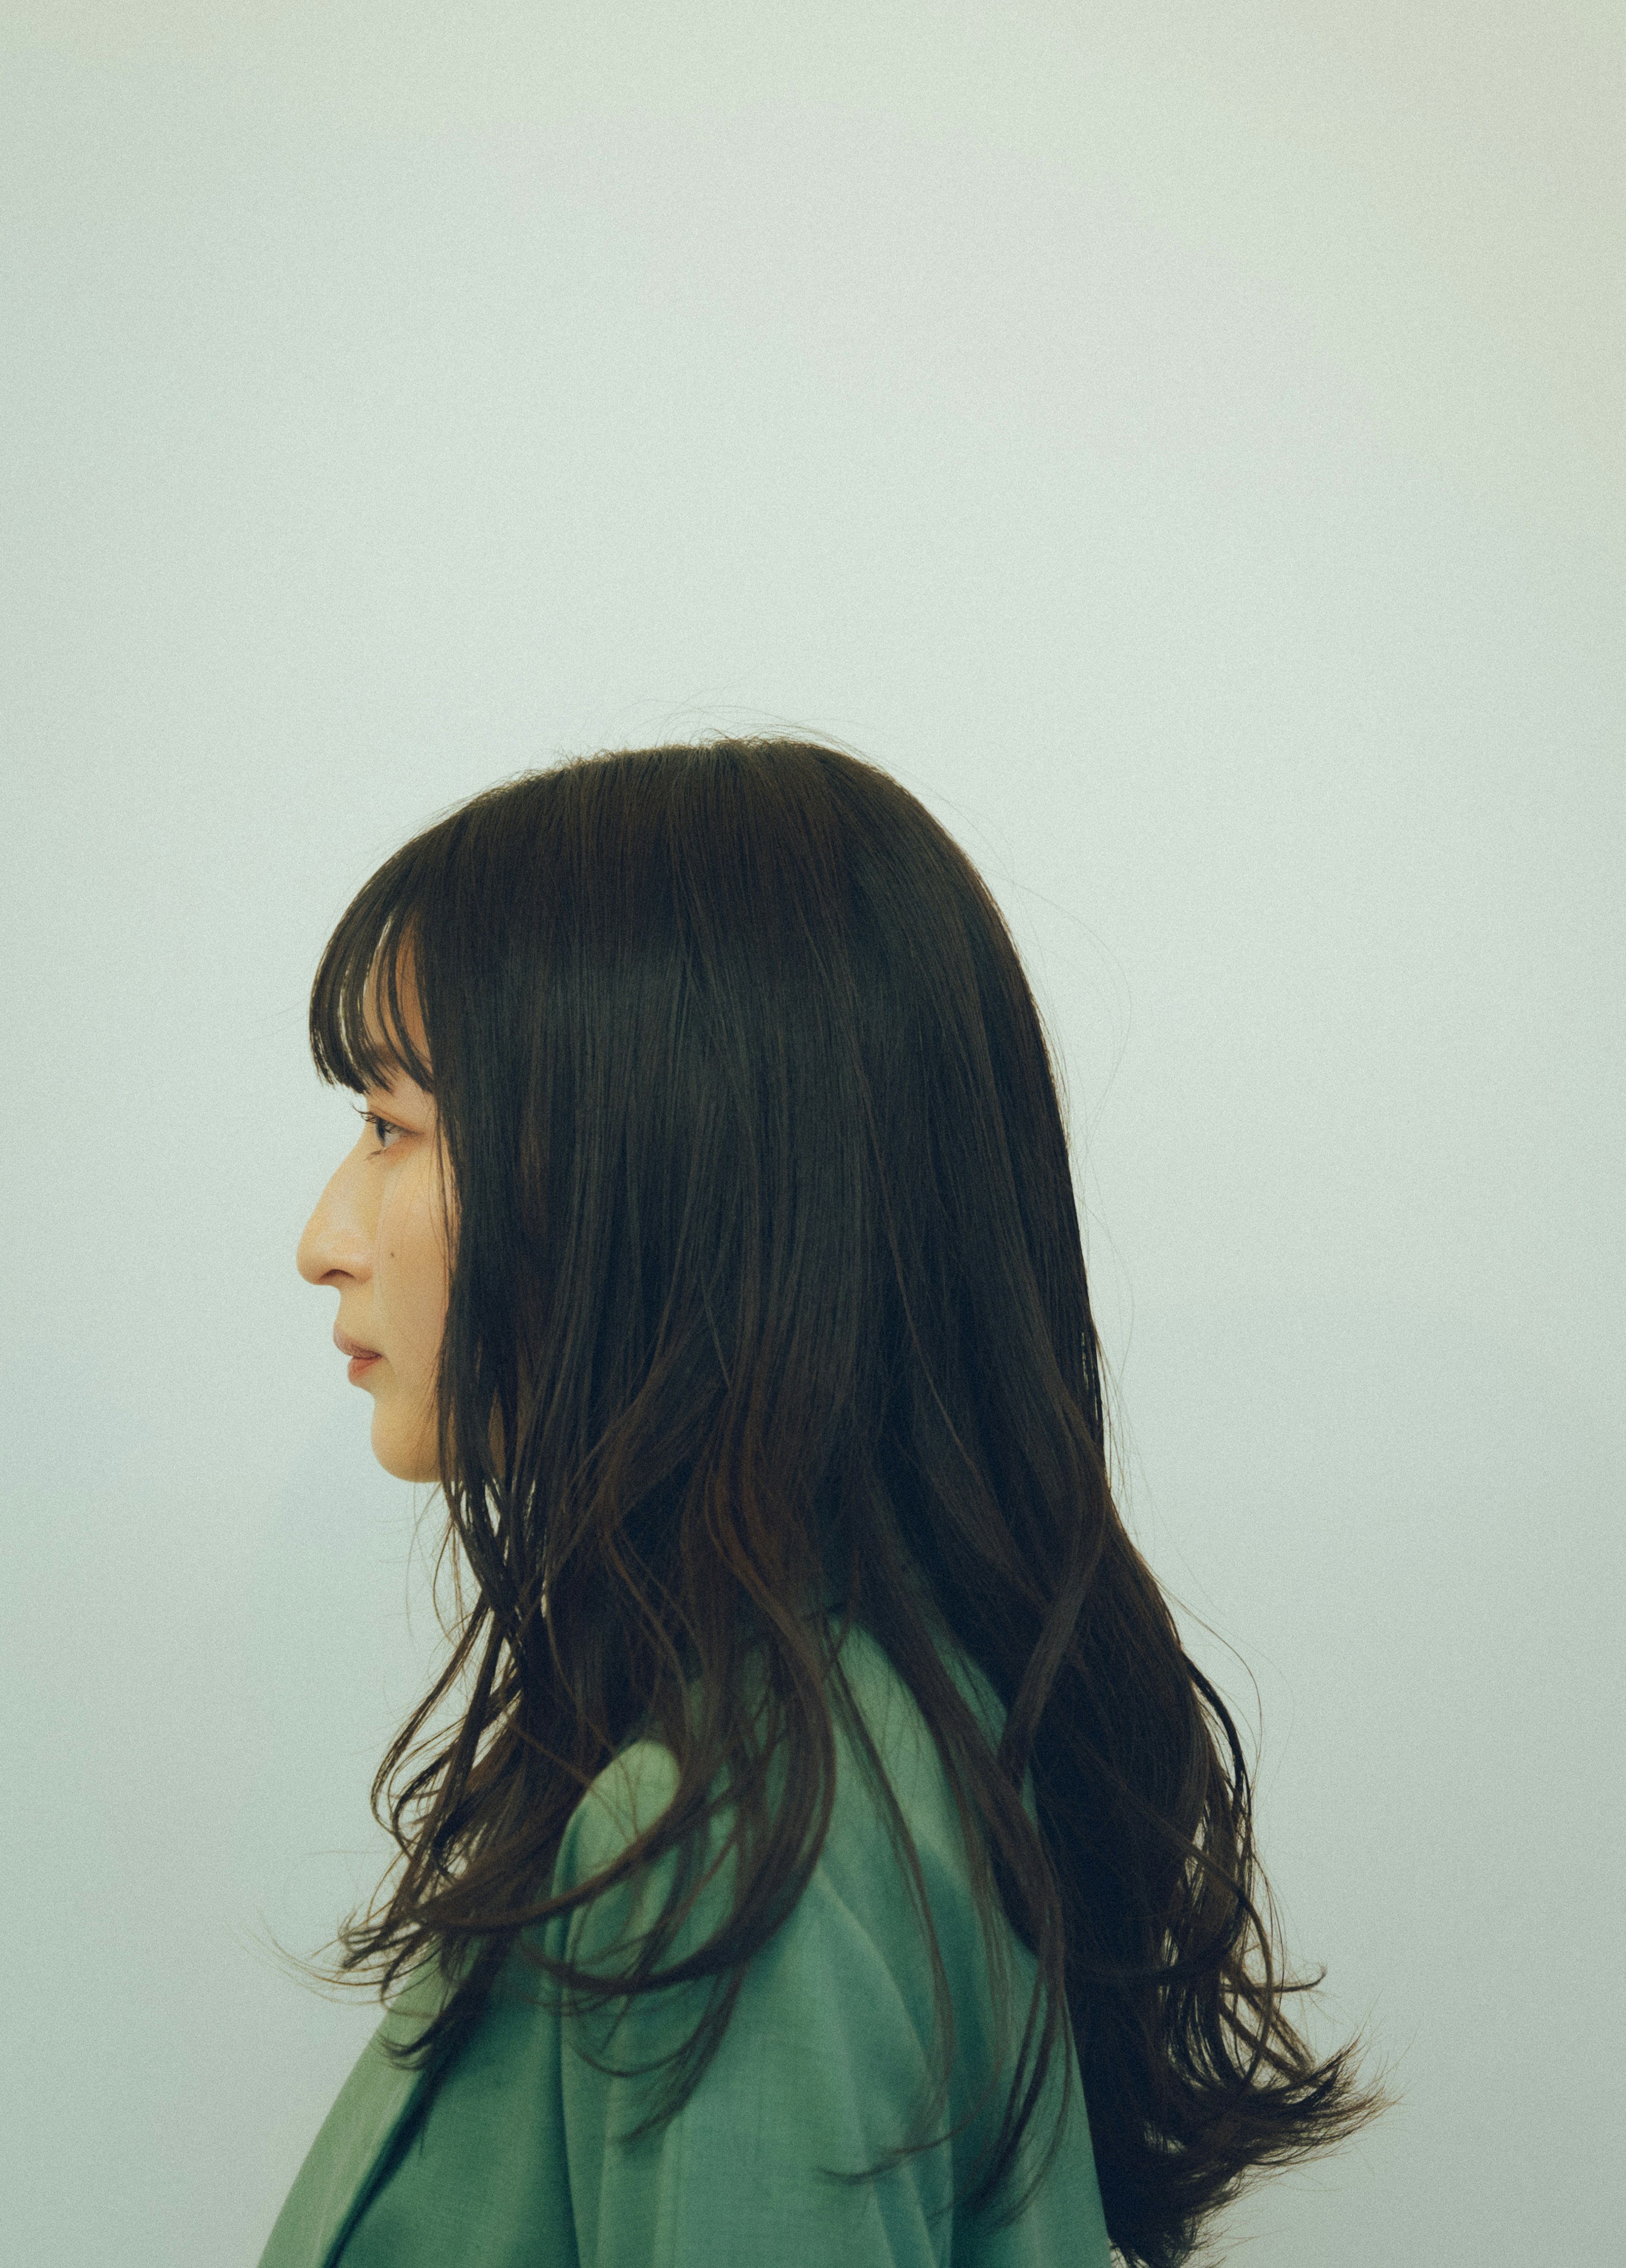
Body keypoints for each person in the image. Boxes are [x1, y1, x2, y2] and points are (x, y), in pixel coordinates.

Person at [261, 735, 1394, 2268]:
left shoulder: (732, 1862)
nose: (327, 1237)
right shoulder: (887, 1729)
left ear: (666, 1167)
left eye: (394, 1126)